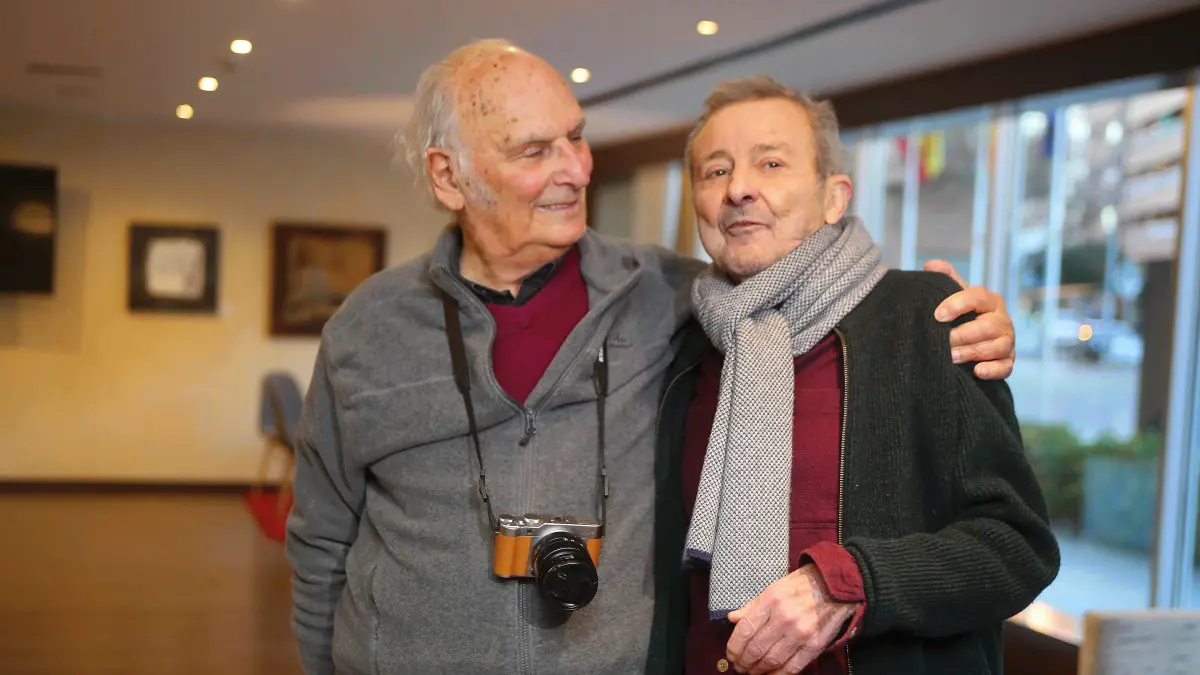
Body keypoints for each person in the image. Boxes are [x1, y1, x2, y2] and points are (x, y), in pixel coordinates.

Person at [284, 40, 1019, 675]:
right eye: (535, 151)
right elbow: (320, 544)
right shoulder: (367, 328)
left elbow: (798, 282)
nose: (576, 170)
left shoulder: (670, 296)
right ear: (449, 177)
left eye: (577, 137)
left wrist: (956, 317)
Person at [650, 76, 1060, 675]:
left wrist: (847, 584)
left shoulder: (927, 318)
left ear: (834, 197)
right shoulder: (684, 345)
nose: (738, 189)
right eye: (716, 171)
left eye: (771, 163)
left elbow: (1019, 547)